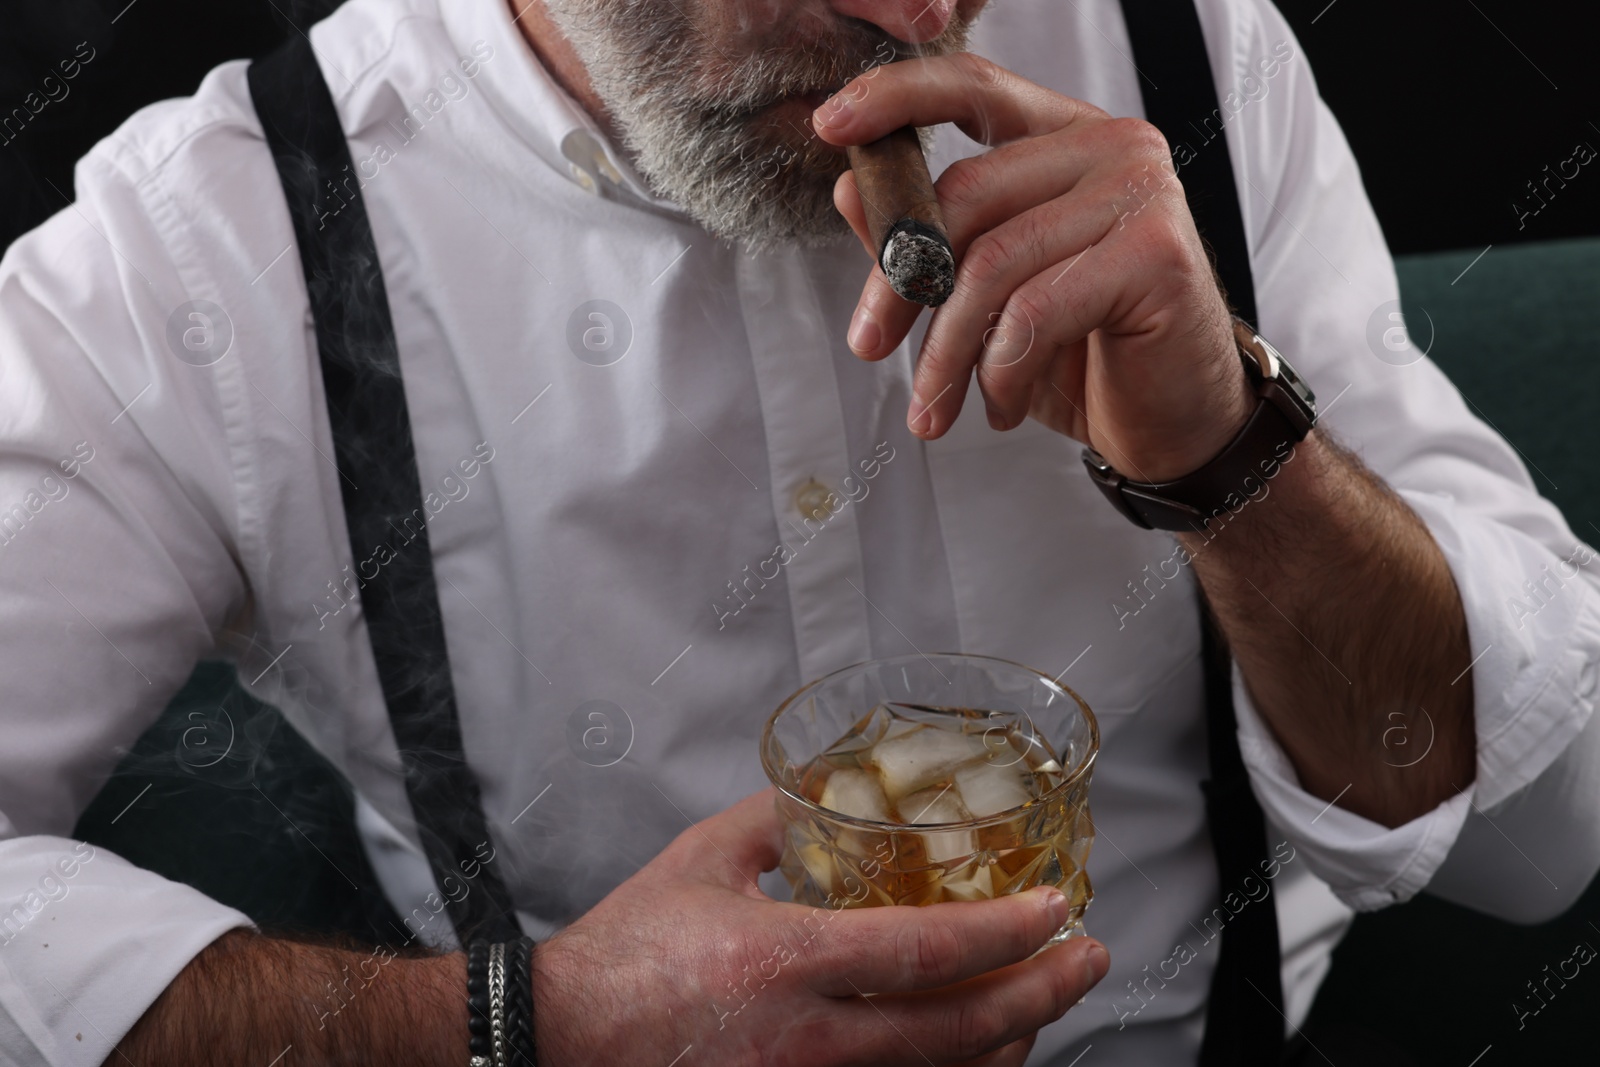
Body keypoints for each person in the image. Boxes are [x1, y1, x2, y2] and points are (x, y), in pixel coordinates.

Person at [1, 0, 1596, 1063]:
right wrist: (530, 1027)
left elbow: (1545, 839)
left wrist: (1233, 453)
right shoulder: (207, 248)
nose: (917, 17)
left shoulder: (1187, 48)